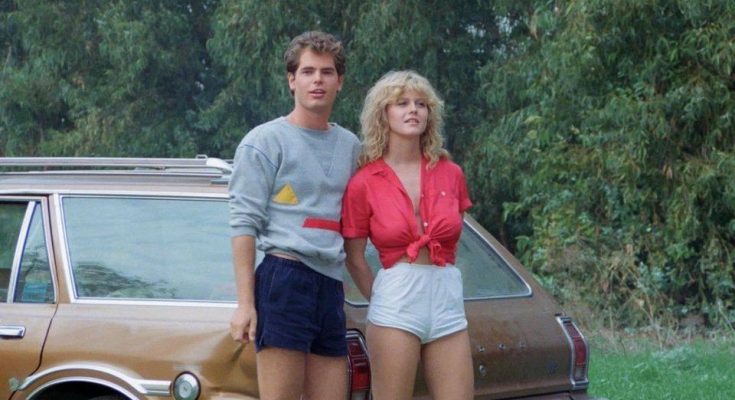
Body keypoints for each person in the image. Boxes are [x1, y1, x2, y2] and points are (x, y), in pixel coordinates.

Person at [228, 31, 361, 400]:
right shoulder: (265, 141)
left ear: (339, 82)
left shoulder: (351, 146)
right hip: (284, 278)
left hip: (330, 284)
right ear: (292, 80)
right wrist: (245, 304)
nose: (318, 80)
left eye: (327, 72)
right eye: (307, 71)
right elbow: (243, 224)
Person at [341, 70, 474, 399]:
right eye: (401, 103)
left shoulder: (451, 173)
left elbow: (454, 237)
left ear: (430, 114)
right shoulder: (364, 181)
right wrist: (383, 299)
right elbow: (354, 258)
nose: (413, 110)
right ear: (383, 113)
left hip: (446, 295)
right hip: (396, 296)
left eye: (420, 104)